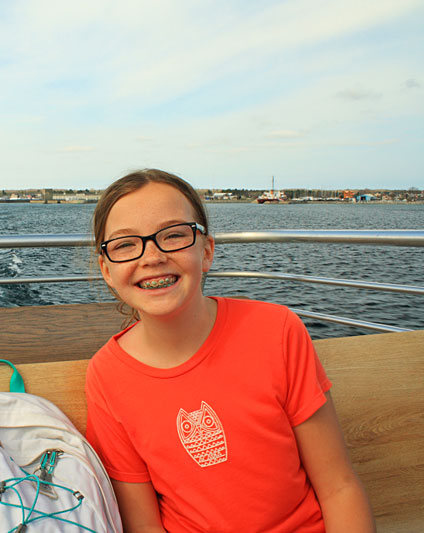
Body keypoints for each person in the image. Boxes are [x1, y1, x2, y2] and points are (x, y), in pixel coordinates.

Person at [85, 169, 374, 532]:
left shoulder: (277, 331)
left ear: (206, 251)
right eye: (126, 244)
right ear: (107, 270)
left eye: (174, 235)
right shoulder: (107, 377)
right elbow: (144, 526)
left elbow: (339, 487)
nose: (152, 256)